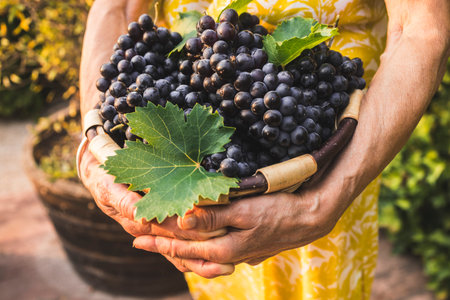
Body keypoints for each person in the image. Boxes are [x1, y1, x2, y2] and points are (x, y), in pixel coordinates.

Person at [79, 0, 450, 298]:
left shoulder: (318, 139)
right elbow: (113, 7)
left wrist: (326, 200)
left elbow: (420, 30)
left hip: (338, 158)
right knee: (215, 280)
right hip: (196, 153)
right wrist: (93, 143)